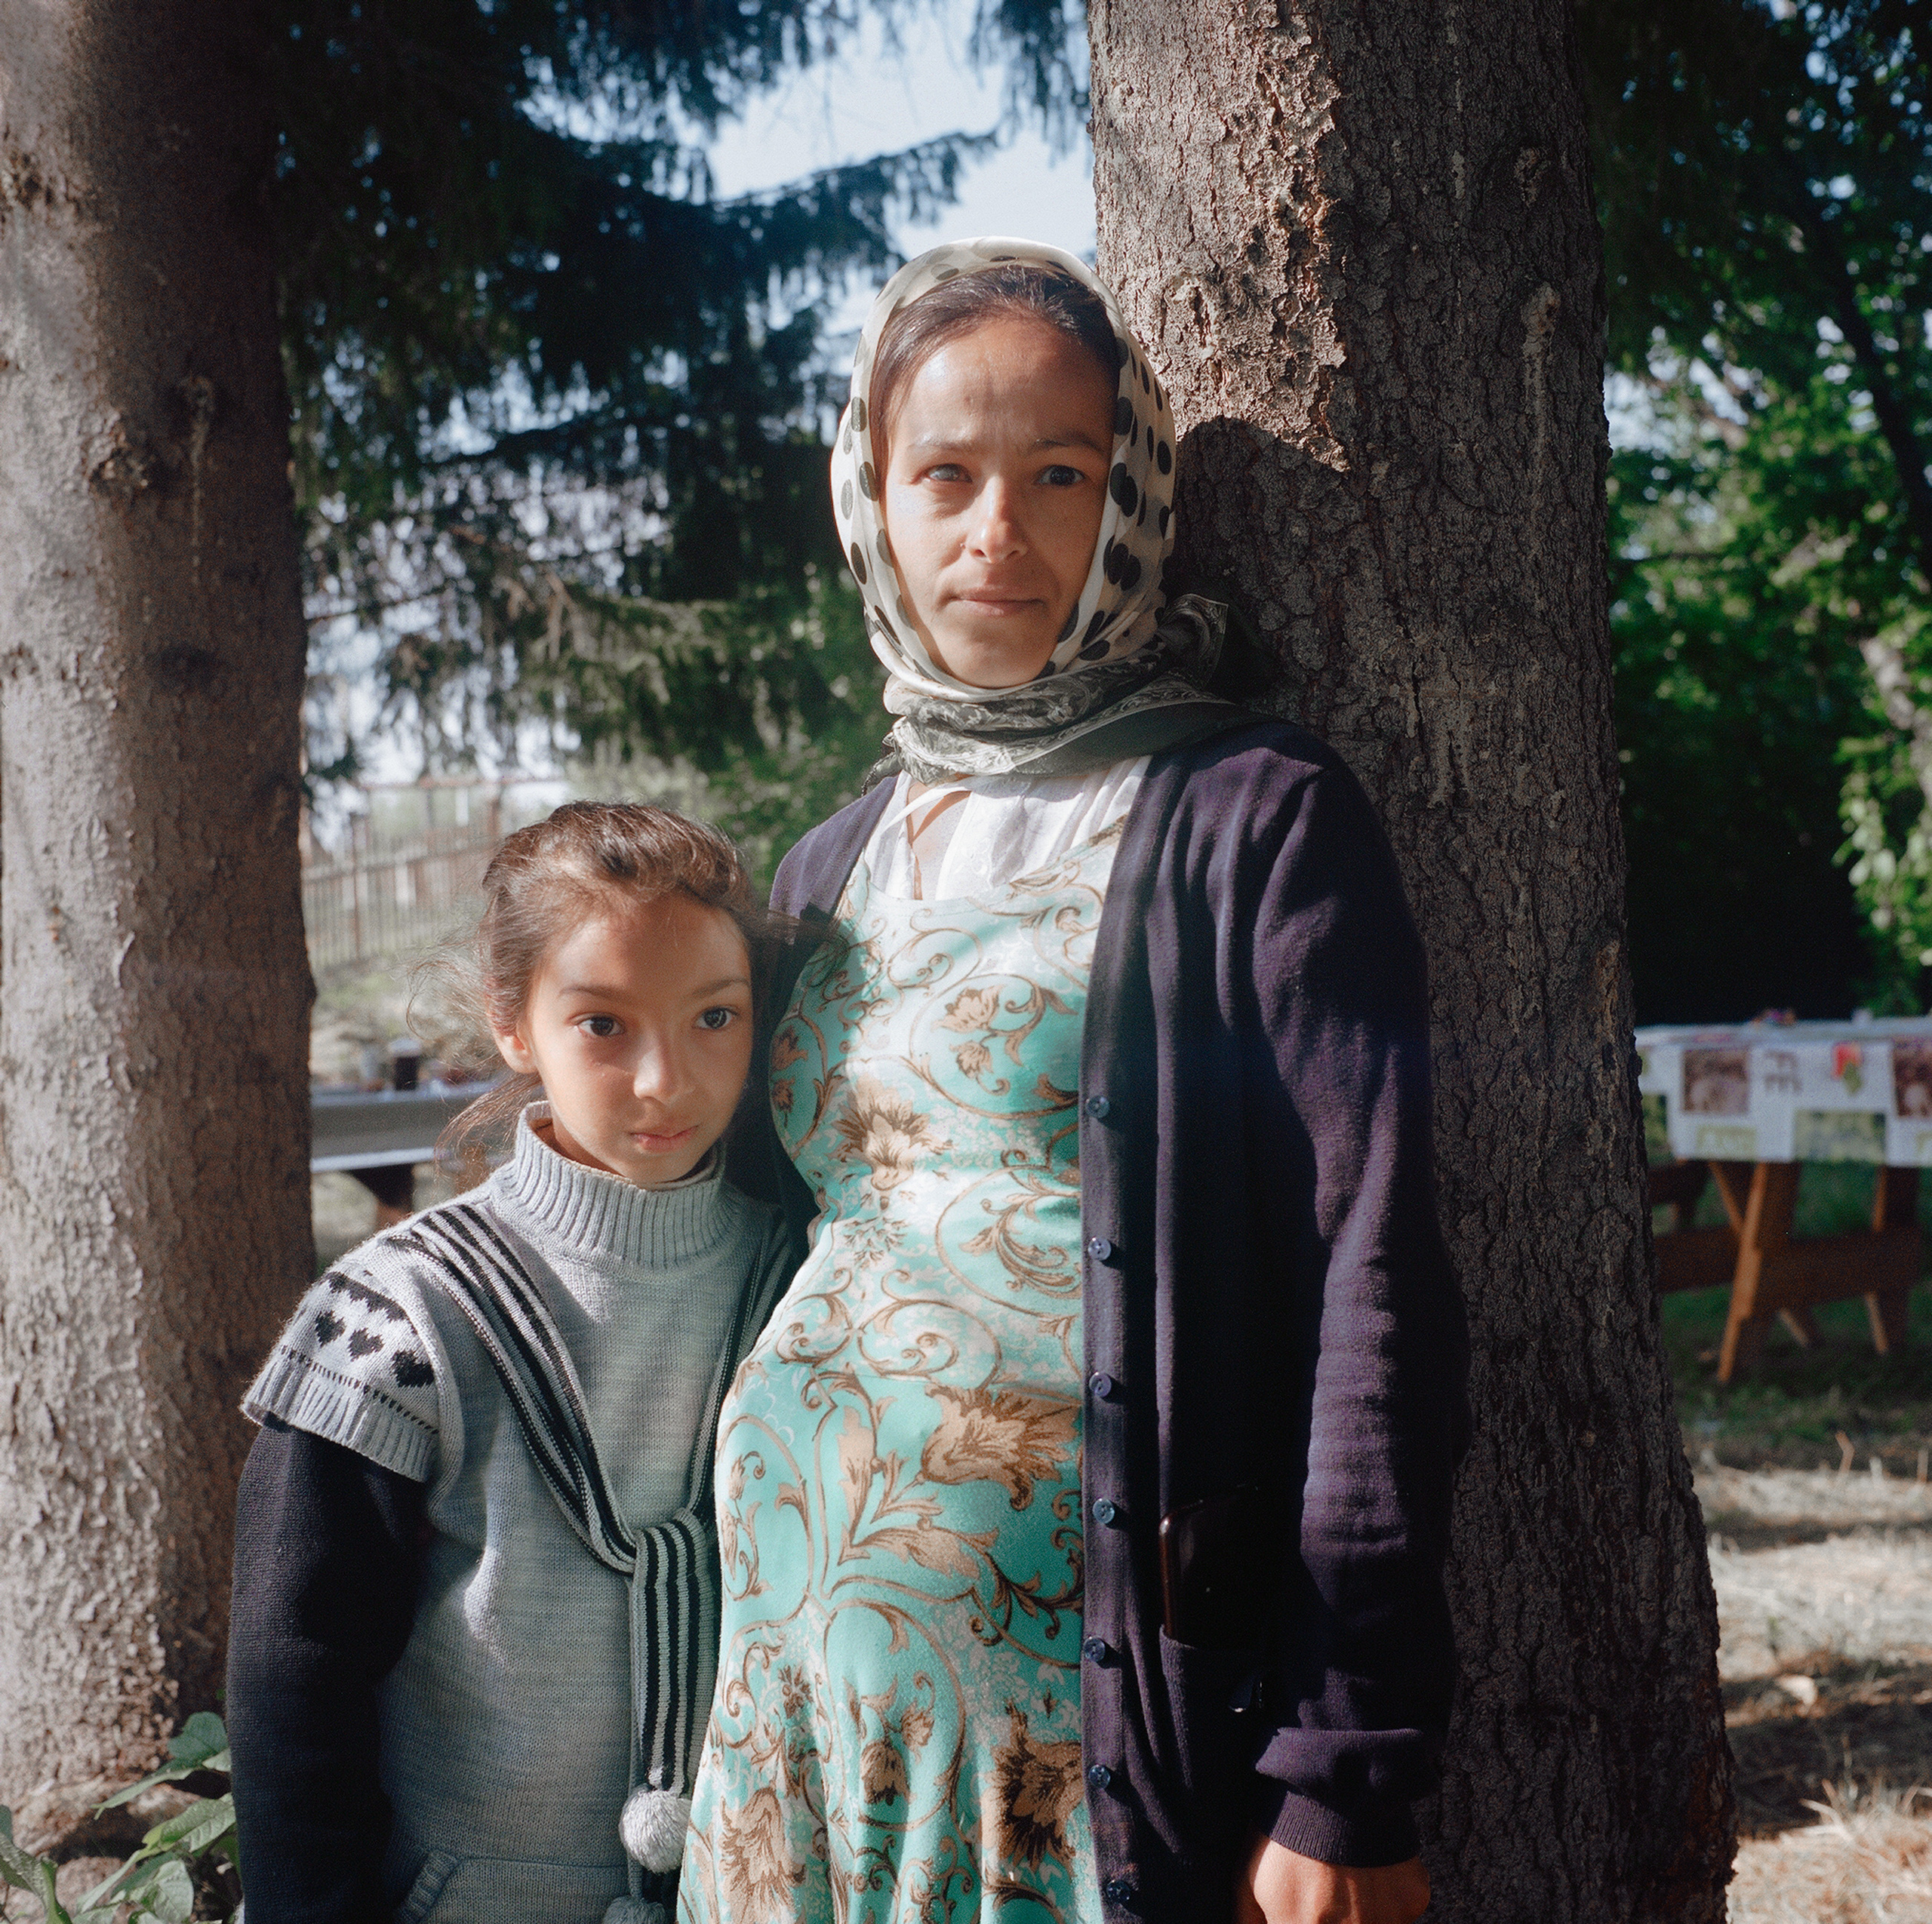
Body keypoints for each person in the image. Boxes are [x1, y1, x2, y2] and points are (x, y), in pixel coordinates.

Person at [680, 239, 1470, 1924]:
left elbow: (1375, 1280)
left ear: (1131, 497)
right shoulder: (829, 862)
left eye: (1057, 475)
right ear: (868, 498)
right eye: (943, 475)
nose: (996, 533)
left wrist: (1347, 1762)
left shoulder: (1252, 818)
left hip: (1070, 1738)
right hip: (797, 1704)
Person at [228, 804, 799, 1924]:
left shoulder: (805, 1278)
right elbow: (296, 1686)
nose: (663, 1080)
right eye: (602, 1023)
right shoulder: (400, 1314)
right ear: (510, 1020)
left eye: (714, 1017)